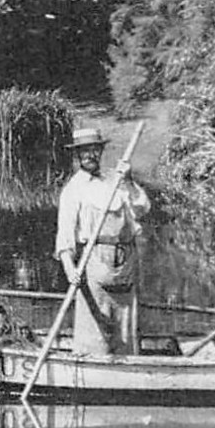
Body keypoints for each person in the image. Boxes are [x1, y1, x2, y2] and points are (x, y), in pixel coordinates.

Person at [53, 127, 151, 355]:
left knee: (126, 325)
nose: (91, 155)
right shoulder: (73, 190)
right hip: (96, 262)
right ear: (77, 156)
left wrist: (128, 181)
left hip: (126, 260)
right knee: (95, 324)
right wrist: (70, 269)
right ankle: (91, 365)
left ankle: (128, 369)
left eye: (94, 150)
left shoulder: (114, 179)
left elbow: (142, 208)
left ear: (100, 151)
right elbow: (65, 236)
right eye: (85, 151)